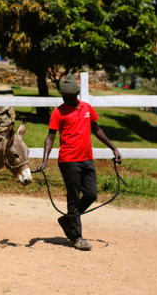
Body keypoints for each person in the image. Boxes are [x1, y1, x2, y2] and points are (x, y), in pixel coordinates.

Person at [36, 73, 122, 251]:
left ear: (76, 93)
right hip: (68, 161)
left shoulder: (87, 108)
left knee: (91, 195)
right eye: (64, 96)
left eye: (69, 95)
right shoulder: (58, 112)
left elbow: (97, 130)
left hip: (87, 160)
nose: (66, 98)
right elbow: (50, 138)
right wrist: (45, 161)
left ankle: (68, 219)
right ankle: (77, 237)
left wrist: (113, 148)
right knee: (74, 198)